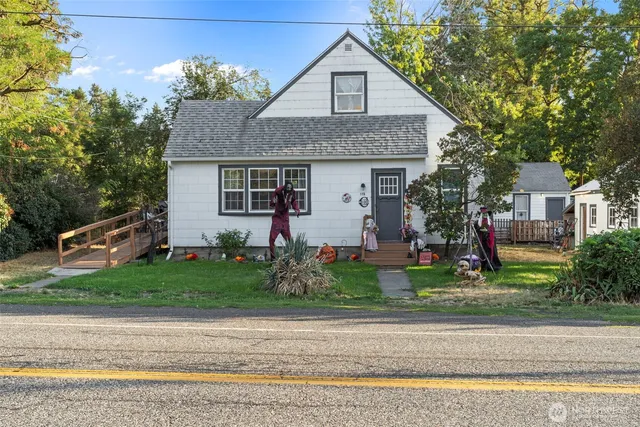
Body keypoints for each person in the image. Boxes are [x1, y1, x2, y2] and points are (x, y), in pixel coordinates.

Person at [269, 181, 300, 260]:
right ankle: (273, 259)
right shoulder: (278, 191)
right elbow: (272, 202)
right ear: (285, 187)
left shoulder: (292, 192)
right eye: (288, 188)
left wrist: (296, 209)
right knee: (272, 239)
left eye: (290, 188)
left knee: (289, 240)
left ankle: (293, 259)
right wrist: (273, 201)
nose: (289, 190)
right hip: (277, 217)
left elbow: (293, 201)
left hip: (285, 218)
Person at [475, 207, 503, 271]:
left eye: (486, 214)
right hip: (482, 241)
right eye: (483, 214)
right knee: (483, 254)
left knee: (492, 253)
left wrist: (489, 234)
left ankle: (493, 266)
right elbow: (477, 230)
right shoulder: (478, 222)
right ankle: (484, 266)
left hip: (491, 240)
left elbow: (492, 230)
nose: (484, 215)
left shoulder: (490, 222)